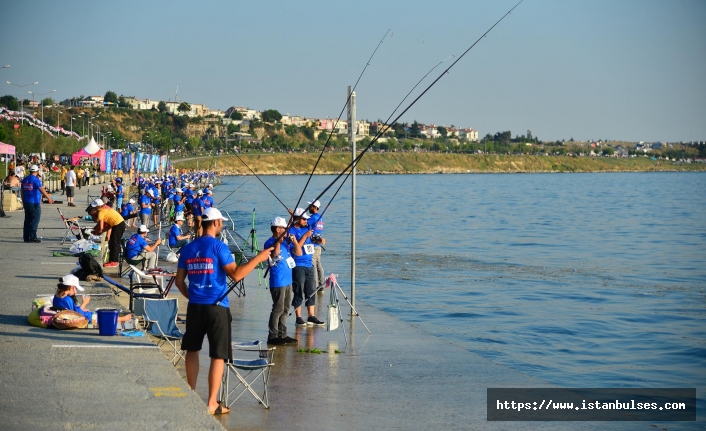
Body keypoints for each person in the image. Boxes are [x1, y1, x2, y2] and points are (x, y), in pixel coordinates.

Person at [175, 207, 272, 415]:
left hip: (195, 307)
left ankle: (192, 396)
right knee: (217, 356)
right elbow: (236, 275)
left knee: (192, 350)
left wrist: (192, 297)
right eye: (222, 222)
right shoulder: (219, 247)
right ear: (216, 223)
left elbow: (179, 281)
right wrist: (258, 258)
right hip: (217, 307)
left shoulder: (188, 248)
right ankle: (211, 402)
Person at [264, 217, 302, 345]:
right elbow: (273, 255)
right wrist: (279, 242)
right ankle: (273, 336)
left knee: (286, 308)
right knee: (278, 308)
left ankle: (282, 334)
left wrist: (294, 241)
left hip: (288, 281)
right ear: (278, 229)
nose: (286, 231)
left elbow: (299, 252)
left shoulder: (286, 242)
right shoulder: (269, 242)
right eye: (284, 229)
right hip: (278, 281)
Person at [288, 208, 324, 326]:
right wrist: (304, 236)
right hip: (298, 264)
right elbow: (295, 247)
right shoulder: (292, 231)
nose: (306, 221)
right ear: (298, 219)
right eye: (304, 219)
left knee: (311, 290)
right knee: (299, 289)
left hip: (309, 264)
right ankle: (298, 317)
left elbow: (313, 239)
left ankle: (311, 316)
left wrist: (319, 241)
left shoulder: (307, 229)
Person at [53, 274, 132, 326]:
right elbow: (75, 315)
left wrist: (82, 308)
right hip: (85, 317)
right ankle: (121, 319)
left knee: (98, 314)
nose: (76, 291)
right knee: (102, 318)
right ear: (71, 287)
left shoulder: (56, 297)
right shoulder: (67, 299)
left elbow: (70, 310)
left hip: (68, 315)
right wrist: (84, 303)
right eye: (75, 288)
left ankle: (117, 317)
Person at [21, 165, 54, 243]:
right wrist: (49, 198)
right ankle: (32, 237)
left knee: (27, 220)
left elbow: (22, 192)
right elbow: (41, 189)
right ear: (37, 171)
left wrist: (23, 202)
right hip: (34, 203)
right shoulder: (36, 180)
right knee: (35, 220)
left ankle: (26, 237)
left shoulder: (25, 180)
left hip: (26, 202)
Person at [89, 199, 126, 268]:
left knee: (115, 243)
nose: (94, 209)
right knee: (112, 242)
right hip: (118, 224)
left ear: (98, 206)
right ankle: (112, 260)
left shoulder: (101, 212)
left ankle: (114, 261)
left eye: (94, 207)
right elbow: (108, 225)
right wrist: (98, 231)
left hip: (118, 224)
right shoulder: (105, 209)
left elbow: (101, 227)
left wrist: (97, 232)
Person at [307, 200, 326, 292]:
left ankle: (315, 286)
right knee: (318, 264)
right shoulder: (321, 218)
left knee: (313, 265)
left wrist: (294, 216)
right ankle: (321, 284)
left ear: (315, 207)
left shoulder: (314, 218)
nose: (309, 208)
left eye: (310, 206)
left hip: (313, 245)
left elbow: (303, 222)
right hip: (317, 245)